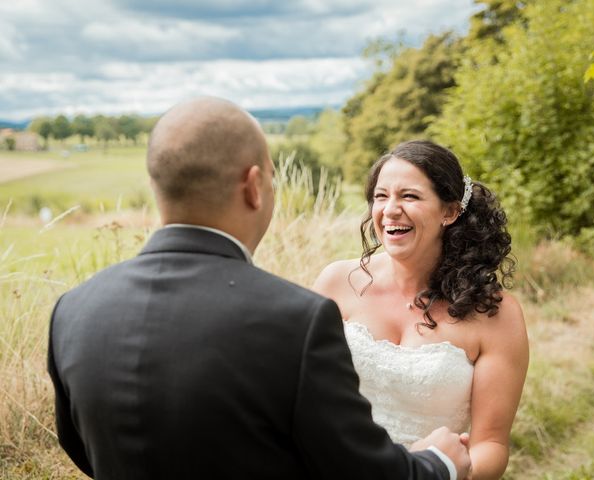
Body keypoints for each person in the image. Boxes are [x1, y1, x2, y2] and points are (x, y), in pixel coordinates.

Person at [47, 98, 471, 480]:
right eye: (271, 179)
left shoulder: (73, 310)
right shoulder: (296, 321)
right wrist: (439, 462)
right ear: (253, 187)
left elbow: (79, 446)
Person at [314, 140, 529, 480]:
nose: (390, 210)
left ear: (450, 211)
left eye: (409, 196)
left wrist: (436, 472)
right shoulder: (337, 282)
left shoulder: (495, 314)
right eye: (381, 196)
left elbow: (491, 444)